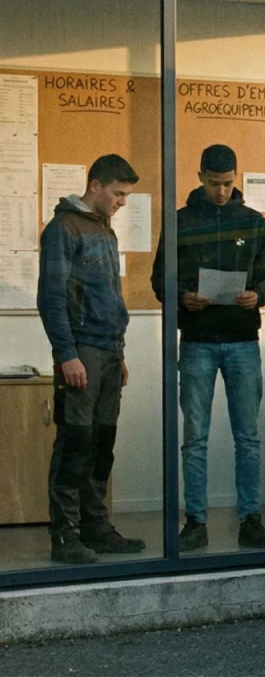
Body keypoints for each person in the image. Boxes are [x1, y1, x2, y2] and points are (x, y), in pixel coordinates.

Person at [152, 143, 265, 551]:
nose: (221, 191)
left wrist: (257, 295)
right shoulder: (180, 222)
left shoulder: (254, 222)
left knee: (248, 437)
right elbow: (159, 280)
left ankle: (251, 520)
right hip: (198, 341)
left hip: (242, 340)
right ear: (200, 177)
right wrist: (184, 298)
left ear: (235, 178)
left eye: (227, 184)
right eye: (213, 183)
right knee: (195, 437)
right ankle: (195, 522)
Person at [37, 154, 145, 564]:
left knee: (101, 444)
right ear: (95, 185)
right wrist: (67, 355)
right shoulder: (63, 228)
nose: (122, 202)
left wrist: (119, 353)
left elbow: (107, 296)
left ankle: (95, 528)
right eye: (118, 193)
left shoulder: (105, 229)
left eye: (126, 196)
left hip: (108, 351)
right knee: (75, 442)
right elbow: (51, 298)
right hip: (81, 351)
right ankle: (65, 537)